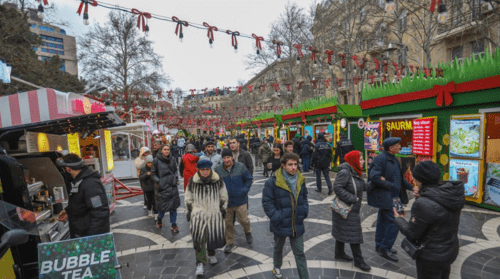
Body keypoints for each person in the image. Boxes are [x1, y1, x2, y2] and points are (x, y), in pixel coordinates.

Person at [394, 161, 464, 279]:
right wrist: (423, 196)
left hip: (431, 256)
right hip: (449, 250)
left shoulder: (423, 204)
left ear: (421, 181)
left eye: (416, 179)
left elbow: (412, 233)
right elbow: (435, 211)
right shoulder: (451, 193)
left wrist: (399, 219)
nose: (414, 182)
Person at [368, 137, 416, 262]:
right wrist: (390, 185)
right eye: (398, 145)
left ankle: (380, 245)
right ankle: (385, 248)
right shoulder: (380, 159)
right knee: (395, 222)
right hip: (386, 196)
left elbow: (400, 179)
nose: (400, 147)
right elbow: (374, 176)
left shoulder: (394, 160)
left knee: (383, 220)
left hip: (394, 197)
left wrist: (412, 187)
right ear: (391, 148)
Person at [262, 152, 309, 279]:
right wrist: (277, 216)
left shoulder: (301, 179)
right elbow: (267, 202)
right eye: (290, 165)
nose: (294, 167)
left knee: (299, 253)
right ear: (283, 165)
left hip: (297, 222)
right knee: (278, 247)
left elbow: (304, 197)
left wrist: (304, 210)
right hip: (281, 222)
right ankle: (276, 266)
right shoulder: (273, 182)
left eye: (295, 164)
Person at [185, 159, 228, 276]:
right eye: (202, 170)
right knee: (199, 239)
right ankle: (200, 263)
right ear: (198, 170)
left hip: (214, 214)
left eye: (207, 169)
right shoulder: (193, 181)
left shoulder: (218, 180)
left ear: (210, 169)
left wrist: (223, 208)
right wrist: (189, 211)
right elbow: (188, 197)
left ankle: (211, 252)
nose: (205, 172)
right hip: (198, 215)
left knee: (213, 235)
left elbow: (223, 195)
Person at [331, 151, 371, 272]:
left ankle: (339, 253)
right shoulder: (345, 172)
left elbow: (363, 186)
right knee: (354, 233)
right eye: (361, 159)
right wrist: (352, 198)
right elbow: (337, 187)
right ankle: (359, 261)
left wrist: (376, 181)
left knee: (342, 230)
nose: (363, 161)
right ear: (354, 160)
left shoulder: (355, 172)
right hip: (346, 208)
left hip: (351, 209)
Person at [57, 154, 110, 239]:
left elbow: (100, 212)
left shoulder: (91, 185)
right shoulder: (80, 181)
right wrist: (68, 211)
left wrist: (91, 238)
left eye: (63, 170)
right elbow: (81, 202)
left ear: (68, 169)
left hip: (90, 237)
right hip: (82, 234)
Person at [214, 149, 253, 253]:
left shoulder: (240, 167)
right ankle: (229, 242)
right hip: (227, 202)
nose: (226, 160)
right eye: (224, 158)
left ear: (232, 157)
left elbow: (249, 179)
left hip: (240, 200)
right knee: (228, 223)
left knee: (244, 220)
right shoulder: (218, 170)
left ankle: (248, 232)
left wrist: (244, 190)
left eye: (228, 157)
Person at [152, 144, 181, 232]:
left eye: (168, 149)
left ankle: (173, 224)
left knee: (173, 207)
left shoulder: (172, 159)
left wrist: (175, 178)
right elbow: (153, 174)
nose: (166, 151)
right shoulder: (156, 160)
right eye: (165, 149)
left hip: (172, 186)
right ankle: (159, 218)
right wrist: (159, 182)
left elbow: (175, 170)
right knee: (162, 208)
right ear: (161, 150)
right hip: (162, 188)